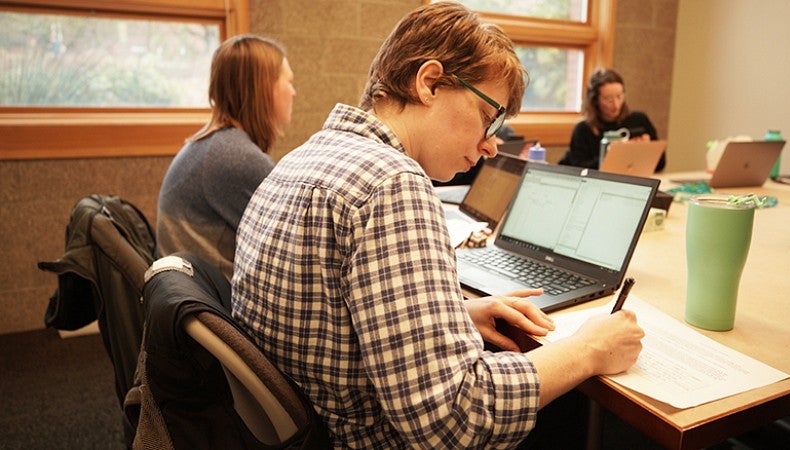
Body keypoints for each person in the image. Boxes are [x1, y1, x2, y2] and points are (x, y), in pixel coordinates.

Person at [232, 3, 644, 448]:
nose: (490, 146)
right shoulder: (392, 183)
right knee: (575, 411)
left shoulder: (307, 156)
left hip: (307, 424)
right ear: (429, 83)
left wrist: (449, 313)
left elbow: (328, 319)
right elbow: (455, 419)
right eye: (489, 118)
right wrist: (588, 350)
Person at [157, 35, 296, 280]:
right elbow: (295, 249)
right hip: (214, 305)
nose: (293, 92)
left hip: (191, 293)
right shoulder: (235, 157)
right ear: (264, 89)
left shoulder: (214, 143)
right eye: (288, 82)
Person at [559, 67, 666, 171]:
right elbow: (580, 170)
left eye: (619, 96)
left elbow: (661, 164)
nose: (616, 105)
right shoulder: (583, 129)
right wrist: (615, 153)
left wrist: (646, 151)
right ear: (595, 100)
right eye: (608, 99)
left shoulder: (639, 120)